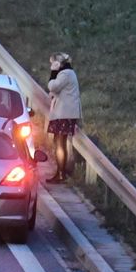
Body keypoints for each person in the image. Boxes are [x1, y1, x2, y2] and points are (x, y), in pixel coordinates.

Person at [46, 52, 82, 183]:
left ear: (57, 63)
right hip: (65, 113)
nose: (51, 66)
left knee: (59, 143)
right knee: (58, 142)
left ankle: (61, 174)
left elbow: (52, 86)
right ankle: (59, 172)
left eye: (52, 64)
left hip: (64, 113)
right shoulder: (69, 73)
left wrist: (53, 72)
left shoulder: (65, 74)